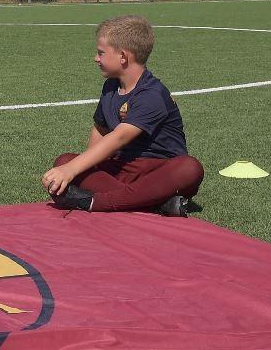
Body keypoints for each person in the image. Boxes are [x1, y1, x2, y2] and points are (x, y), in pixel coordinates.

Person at [40, 15, 204, 215]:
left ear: (123, 57)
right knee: (64, 160)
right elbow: (100, 131)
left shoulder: (151, 94)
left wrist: (72, 171)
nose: (95, 58)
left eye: (101, 53)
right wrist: (79, 167)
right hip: (121, 172)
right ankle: (154, 204)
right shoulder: (111, 86)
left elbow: (119, 137)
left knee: (190, 168)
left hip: (158, 172)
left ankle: (94, 203)